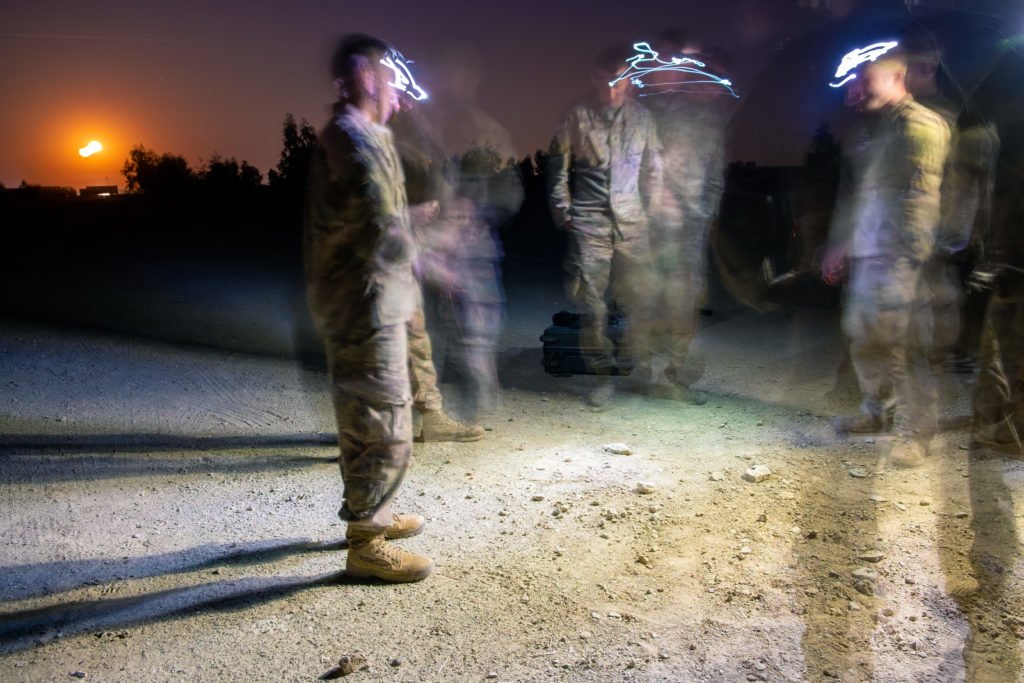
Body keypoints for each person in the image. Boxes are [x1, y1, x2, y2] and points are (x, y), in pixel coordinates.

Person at [304, 34, 433, 582]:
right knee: (381, 421)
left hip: (373, 297)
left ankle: (372, 510)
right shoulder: (353, 141)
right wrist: (437, 253)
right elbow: (380, 229)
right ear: (363, 80)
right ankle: (367, 541)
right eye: (386, 78)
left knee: (372, 415)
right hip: (362, 304)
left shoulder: (371, 135)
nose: (397, 90)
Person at [822, 41, 951, 468]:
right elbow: (850, 193)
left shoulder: (920, 125)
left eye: (867, 78)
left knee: (903, 344)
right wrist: (839, 244)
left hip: (900, 254)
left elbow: (920, 194)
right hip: (867, 250)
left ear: (897, 79)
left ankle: (917, 432)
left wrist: (910, 257)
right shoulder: (864, 131)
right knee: (862, 334)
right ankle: (875, 412)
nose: (858, 87)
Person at [548, 45, 662, 408]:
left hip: (633, 223)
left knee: (641, 298)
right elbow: (557, 168)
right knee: (592, 305)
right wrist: (564, 212)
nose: (611, 91)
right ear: (593, 78)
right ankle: (601, 375)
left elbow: (655, 169)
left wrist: (652, 211)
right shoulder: (576, 116)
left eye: (619, 82)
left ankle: (633, 365)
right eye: (603, 82)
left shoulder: (643, 119)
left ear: (629, 79)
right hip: (590, 223)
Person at [644, 30, 732, 402]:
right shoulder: (653, 112)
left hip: (690, 229)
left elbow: (715, 177)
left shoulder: (711, 123)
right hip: (651, 225)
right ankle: (646, 372)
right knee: (648, 298)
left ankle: (667, 374)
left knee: (683, 302)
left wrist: (703, 216)